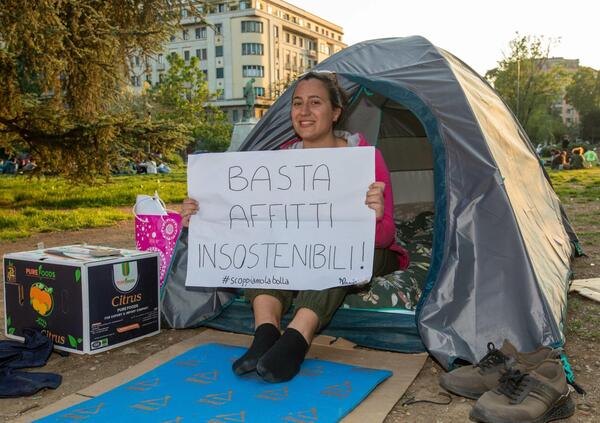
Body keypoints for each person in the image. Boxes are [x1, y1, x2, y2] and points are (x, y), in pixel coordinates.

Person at [181, 71, 408, 383]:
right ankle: (265, 334)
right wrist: (205, 213)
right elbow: (256, 222)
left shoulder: (364, 159)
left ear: (336, 112)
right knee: (265, 250)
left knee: (334, 251)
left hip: (372, 251)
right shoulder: (279, 163)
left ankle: (296, 340)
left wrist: (375, 216)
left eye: (315, 103)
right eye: (297, 103)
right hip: (300, 248)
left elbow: (385, 237)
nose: (304, 111)